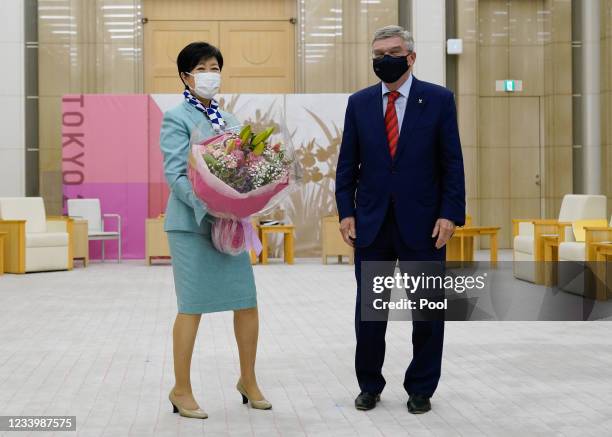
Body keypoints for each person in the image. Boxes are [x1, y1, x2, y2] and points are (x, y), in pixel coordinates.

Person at [335, 25, 465, 414]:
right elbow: (347, 166)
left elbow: (451, 163)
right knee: (371, 314)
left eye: (391, 52)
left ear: (410, 56)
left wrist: (450, 214)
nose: (383, 60)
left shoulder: (438, 100)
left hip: (424, 226)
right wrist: (346, 212)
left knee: (426, 313)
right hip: (372, 225)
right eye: (377, 54)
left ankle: (421, 387)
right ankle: (369, 385)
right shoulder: (359, 103)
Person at [160, 42, 271, 419]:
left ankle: (248, 380)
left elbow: (244, 170)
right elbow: (175, 175)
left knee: (247, 302)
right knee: (192, 308)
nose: (210, 74)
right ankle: (181, 388)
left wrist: (247, 198)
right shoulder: (176, 118)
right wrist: (209, 206)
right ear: (185, 76)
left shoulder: (231, 120)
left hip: (230, 229)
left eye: (214, 67)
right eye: (202, 68)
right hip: (191, 226)